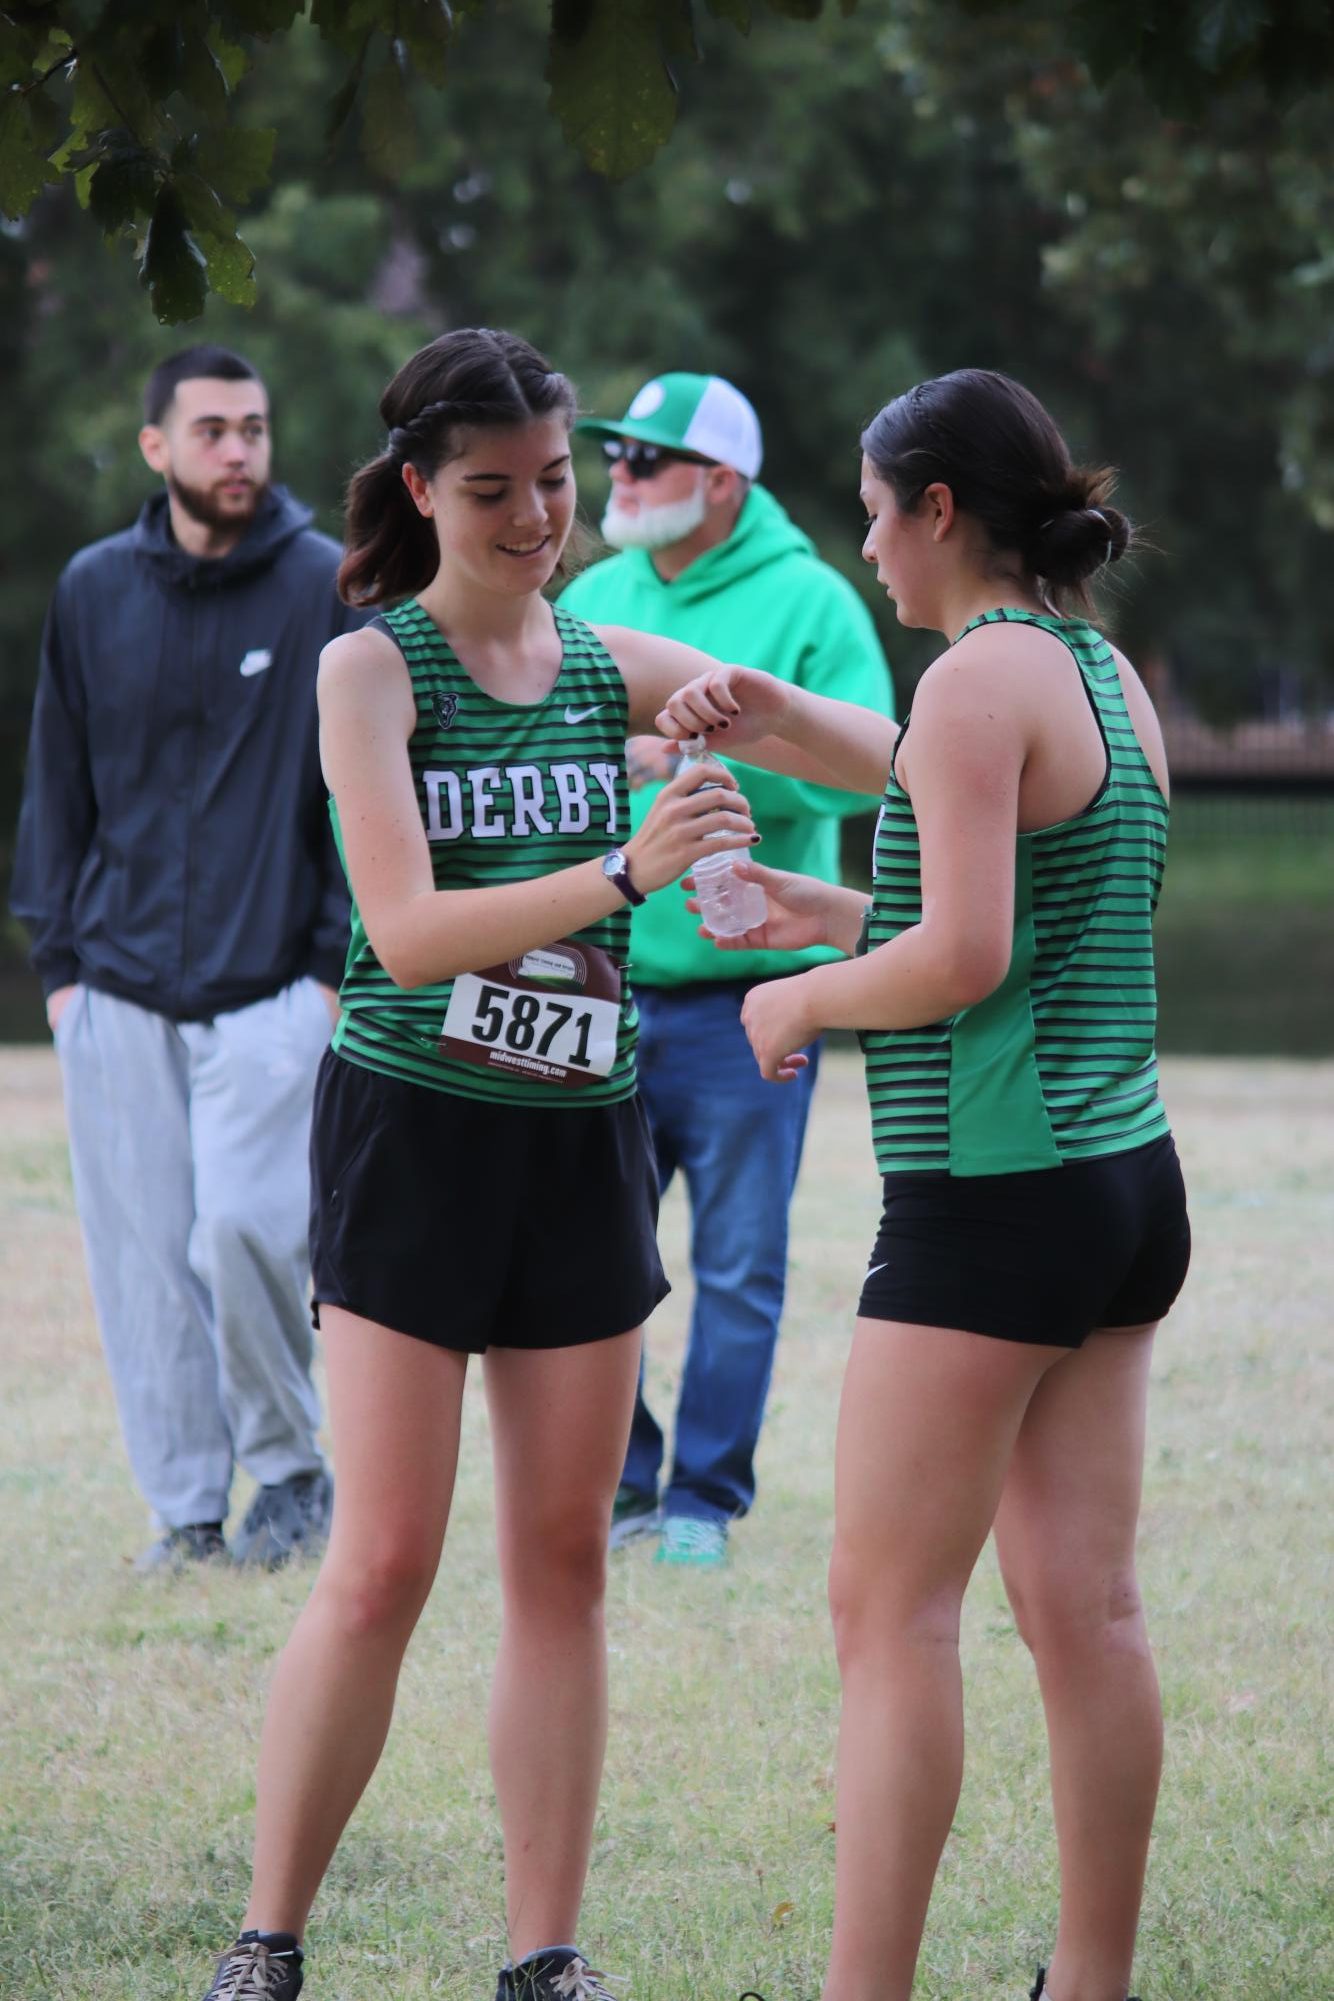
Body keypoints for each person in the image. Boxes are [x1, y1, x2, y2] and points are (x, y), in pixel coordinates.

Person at [195, 328, 763, 2001]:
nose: (533, 518)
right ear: (425, 490)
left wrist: (959, 732)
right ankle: (269, 1931)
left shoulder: (607, 657)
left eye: (557, 483)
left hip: (580, 1142)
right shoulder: (370, 669)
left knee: (564, 1561)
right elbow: (405, 927)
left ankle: (543, 1954)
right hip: (414, 1140)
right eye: (494, 491)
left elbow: (842, 741)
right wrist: (622, 865)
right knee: (381, 1560)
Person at [655, 369, 1191, 2001]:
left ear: (935, 509)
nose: (863, 546)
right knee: (1084, 1610)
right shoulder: (1094, 671)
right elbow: (1006, 915)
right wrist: (814, 892)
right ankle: (1087, 1983)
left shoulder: (973, 684)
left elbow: (957, 954)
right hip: (1117, 1186)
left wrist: (797, 998)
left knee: (886, 1614)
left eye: (874, 511)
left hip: (988, 1203)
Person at [11, 344, 357, 1572]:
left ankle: (292, 1470)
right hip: (114, 990)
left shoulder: (327, 585)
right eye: (211, 431)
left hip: (273, 989)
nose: (238, 453)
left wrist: (326, 975)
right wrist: (60, 972)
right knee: (146, 1264)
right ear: (156, 447)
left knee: (249, 1234)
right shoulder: (95, 589)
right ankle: (189, 1514)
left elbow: (357, 794)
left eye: (254, 429)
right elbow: (57, 781)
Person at [560, 372, 892, 1566]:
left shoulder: (812, 599)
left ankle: (704, 1502)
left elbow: (872, 769)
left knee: (740, 1263)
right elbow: (544, 759)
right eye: (615, 457)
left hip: (749, 997)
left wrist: (729, 749)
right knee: (594, 1260)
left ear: (723, 483)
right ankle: (621, 1487)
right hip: (602, 990)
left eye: (647, 460)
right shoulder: (590, 595)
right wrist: (644, 758)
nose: (619, 477)